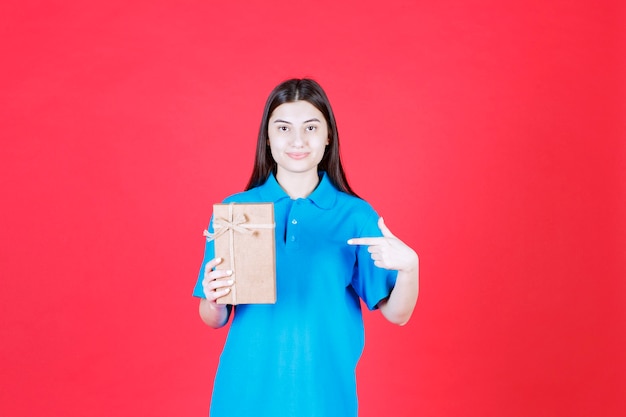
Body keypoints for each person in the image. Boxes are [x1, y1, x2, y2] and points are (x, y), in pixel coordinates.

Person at [193, 78, 419, 417]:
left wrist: (409, 268)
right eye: (283, 128)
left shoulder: (355, 216)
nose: (297, 140)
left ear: (328, 136)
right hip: (242, 395)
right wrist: (213, 300)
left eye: (311, 127)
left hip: (324, 398)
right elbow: (214, 318)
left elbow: (397, 314)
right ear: (267, 138)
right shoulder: (236, 212)